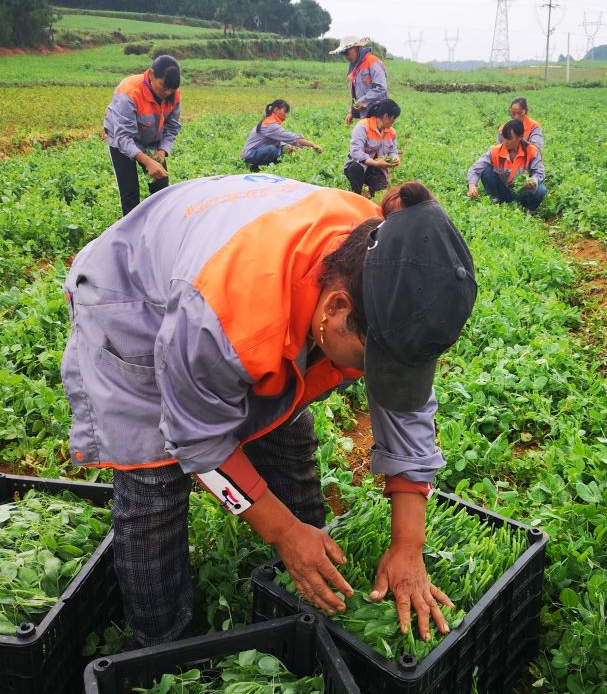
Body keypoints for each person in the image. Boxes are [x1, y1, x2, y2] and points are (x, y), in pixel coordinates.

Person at [60, 175, 478, 649]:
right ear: (336, 308)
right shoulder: (222, 316)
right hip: (133, 299)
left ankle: (312, 575)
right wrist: (281, 532)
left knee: (286, 430)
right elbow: (197, 441)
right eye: (371, 362)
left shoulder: (384, 272)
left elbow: (407, 415)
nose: (373, 377)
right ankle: (159, 651)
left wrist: (407, 546)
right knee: (154, 483)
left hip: (232, 287)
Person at [103, 55, 182, 216]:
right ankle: (131, 237)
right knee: (130, 194)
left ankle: (157, 230)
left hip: (151, 142)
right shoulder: (129, 92)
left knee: (161, 189)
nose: (167, 93)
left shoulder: (173, 93)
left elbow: (172, 126)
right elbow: (123, 137)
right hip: (121, 142)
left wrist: (161, 151)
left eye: (171, 89)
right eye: (163, 87)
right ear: (152, 75)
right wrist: (147, 161)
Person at [467, 119, 547, 213]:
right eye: (504, 137)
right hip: (503, 191)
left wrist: (533, 181)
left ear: (520, 137)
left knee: (541, 190)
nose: (505, 141)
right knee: (486, 170)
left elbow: (539, 172)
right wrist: (472, 185)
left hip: (523, 192)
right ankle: (496, 200)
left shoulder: (532, 151)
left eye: (509, 138)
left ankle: (528, 209)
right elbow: (476, 168)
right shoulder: (495, 150)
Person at [241, 99, 323, 172]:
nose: (286, 115)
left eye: (287, 113)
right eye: (285, 112)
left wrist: (289, 147)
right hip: (249, 156)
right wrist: (312, 145)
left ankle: (270, 166)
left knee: (285, 148)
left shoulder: (272, 122)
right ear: (276, 110)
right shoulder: (270, 124)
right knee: (271, 149)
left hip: (258, 152)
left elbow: (281, 140)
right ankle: (255, 169)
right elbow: (291, 137)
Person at [344, 98, 401, 198]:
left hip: (377, 169)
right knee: (355, 169)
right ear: (386, 116)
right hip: (360, 166)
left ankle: (370, 192)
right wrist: (376, 163)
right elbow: (355, 152)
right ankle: (356, 194)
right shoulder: (363, 126)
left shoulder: (391, 132)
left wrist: (395, 157)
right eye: (394, 118)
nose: (394, 122)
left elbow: (393, 151)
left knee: (381, 187)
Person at [330, 36, 389, 126]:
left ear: (358, 48)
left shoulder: (372, 61)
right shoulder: (354, 68)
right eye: (343, 53)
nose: (346, 56)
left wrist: (361, 102)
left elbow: (381, 88)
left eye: (347, 52)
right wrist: (352, 112)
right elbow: (357, 94)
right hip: (366, 117)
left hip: (379, 116)